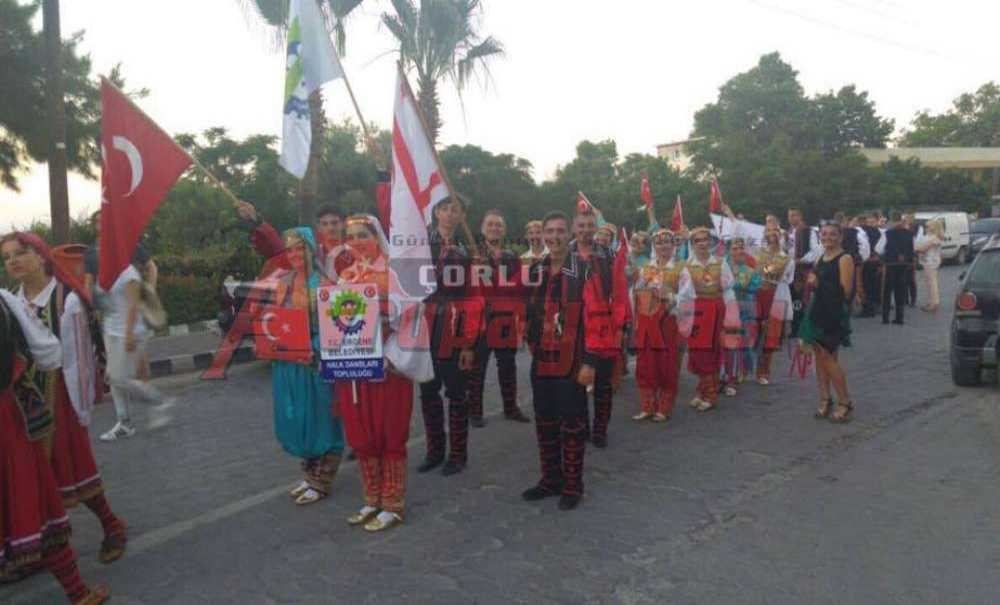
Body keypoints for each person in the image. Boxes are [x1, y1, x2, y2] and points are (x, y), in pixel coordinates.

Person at [1, 234, 128, 564]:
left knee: (76, 467)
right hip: (27, 404)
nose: (12, 261)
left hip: (61, 397)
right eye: (6, 257)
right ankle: (51, 543)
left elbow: (78, 359)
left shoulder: (65, 300)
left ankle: (112, 525)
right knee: (41, 476)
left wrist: (80, 408)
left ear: (42, 256)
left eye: (20, 253)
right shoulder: (14, 300)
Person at [0, 290, 110, 604]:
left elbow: (50, 353)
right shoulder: (7, 299)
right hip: (9, 419)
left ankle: (78, 588)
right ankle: (76, 591)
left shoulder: (25, 298)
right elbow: (46, 351)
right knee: (33, 502)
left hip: (11, 418)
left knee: (31, 500)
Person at [335, 215, 431, 532]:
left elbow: (413, 317)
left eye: (364, 234)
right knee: (362, 434)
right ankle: (371, 499)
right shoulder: (345, 277)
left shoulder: (395, 273)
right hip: (356, 371)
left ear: (377, 236)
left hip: (388, 368)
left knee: (389, 432)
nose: (358, 241)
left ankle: (392, 502)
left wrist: (393, 355)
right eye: (352, 236)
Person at [522, 210, 606, 510]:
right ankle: (550, 479)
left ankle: (573, 484)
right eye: (550, 232)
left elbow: (596, 319)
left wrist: (590, 361)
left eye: (560, 231)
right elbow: (528, 313)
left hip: (574, 360)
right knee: (544, 419)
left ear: (568, 235)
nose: (555, 237)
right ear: (543, 236)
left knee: (572, 422)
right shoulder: (535, 272)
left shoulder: (584, 271)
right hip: (543, 358)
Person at [418, 196, 483, 476]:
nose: (449, 214)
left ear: (462, 215)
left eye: (455, 209)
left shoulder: (466, 252)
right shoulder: (419, 246)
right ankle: (434, 451)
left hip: (454, 330)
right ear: (435, 212)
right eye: (444, 209)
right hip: (424, 329)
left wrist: (468, 342)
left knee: (456, 394)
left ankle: (458, 454)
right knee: (428, 392)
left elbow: (474, 299)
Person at [467, 209, 530, 427]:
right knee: (478, 366)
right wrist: (474, 270)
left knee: (507, 364)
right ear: (482, 228)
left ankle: (511, 407)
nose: (494, 228)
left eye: (498, 225)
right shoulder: (471, 254)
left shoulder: (512, 257)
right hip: (481, 318)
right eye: (490, 224)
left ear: (504, 230)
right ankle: (474, 410)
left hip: (504, 316)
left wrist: (492, 276)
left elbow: (517, 287)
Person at [677, 227, 739, 412]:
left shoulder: (721, 263)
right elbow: (685, 295)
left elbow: (728, 289)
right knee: (697, 351)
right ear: (692, 244)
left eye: (706, 240)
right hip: (696, 310)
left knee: (710, 351)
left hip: (716, 309)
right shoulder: (687, 266)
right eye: (698, 240)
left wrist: (731, 316)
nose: (703, 243)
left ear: (711, 242)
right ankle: (702, 390)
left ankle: (710, 394)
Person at [798, 221, 855, 423]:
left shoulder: (845, 258)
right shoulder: (822, 256)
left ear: (840, 237)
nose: (828, 237)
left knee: (829, 359)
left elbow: (846, 291)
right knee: (820, 359)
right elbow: (815, 279)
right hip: (817, 312)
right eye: (824, 234)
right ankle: (825, 398)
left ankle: (845, 402)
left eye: (832, 234)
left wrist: (819, 283)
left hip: (832, 314)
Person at [569, 209, 616, 448]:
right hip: (574, 328)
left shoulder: (608, 255)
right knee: (577, 382)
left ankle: (600, 428)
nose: (586, 229)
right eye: (581, 225)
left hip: (603, 325)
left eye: (590, 225)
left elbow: (617, 292)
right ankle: (582, 426)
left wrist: (621, 326)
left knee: (603, 383)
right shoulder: (564, 255)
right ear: (574, 228)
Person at [631, 229, 684, 422]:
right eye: (659, 243)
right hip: (647, 322)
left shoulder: (680, 268)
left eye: (667, 242)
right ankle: (647, 406)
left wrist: (671, 297)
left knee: (666, 363)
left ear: (673, 245)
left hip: (668, 322)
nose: (663, 247)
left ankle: (664, 407)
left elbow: (688, 297)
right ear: (655, 246)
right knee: (645, 363)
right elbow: (636, 291)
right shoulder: (647, 268)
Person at [754, 227, 795, 385]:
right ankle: (745, 370)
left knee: (771, 335)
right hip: (758, 295)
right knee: (753, 332)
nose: (773, 240)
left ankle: (764, 371)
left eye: (776, 237)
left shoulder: (786, 259)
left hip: (776, 295)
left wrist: (766, 269)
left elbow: (787, 279)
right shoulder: (759, 254)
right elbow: (756, 272)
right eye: (769, 237)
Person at [721, 235, 761, 397]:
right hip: (726, 308)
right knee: (726, 343)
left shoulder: (751, 270)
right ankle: (724, 374)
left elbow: (755, 286)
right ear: (729, 251)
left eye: (741, 248)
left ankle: (738, 374)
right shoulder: (723, 267)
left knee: (742, 343)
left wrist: (738, 284)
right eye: (734, 248)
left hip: (745, 308)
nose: (738, 251)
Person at [785, 208, 819, 337]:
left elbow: (815, 251)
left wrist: (800, 260)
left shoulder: (809, 231)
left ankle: (803, 327)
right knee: (793, 298)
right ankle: (795, 326)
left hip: (802, 270)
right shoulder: (787, 233)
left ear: (800, 216)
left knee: (802, 299)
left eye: (794, 215)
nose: (792, 218)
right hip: (789, 271)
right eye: (789, 216)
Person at [879, 212, 915, 325]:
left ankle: (885, 318)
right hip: (904, 265)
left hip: (890, 264)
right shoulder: (909, 233)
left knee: (887, 291)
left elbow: (879, 248)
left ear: (892, 221)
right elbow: (911, 248)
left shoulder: (888, 233)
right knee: (901, 291)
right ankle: (899, 318)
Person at [916, 218, 944, 312]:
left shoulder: (934, 238)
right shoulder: (931, 237)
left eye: (927, 226)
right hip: (928, 261)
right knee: (929, 283)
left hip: (931, 262)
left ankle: (934, 303)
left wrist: (917, 248)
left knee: (932, 283)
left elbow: (922, 248)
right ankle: (931, 301)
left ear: (932, 228)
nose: (925, 227)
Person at [858, 213, 883, 317]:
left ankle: (869, 308)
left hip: (869, 261)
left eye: (872, 222)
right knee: (873, 284)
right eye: (868, 222)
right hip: (874, 260)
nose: (869, 224)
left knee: (868, 285)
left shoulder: (867, 232)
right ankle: (874, 305)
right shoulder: (877, 232)